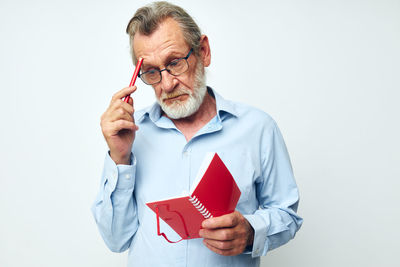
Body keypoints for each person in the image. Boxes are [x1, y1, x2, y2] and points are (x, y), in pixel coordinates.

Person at [92, 1, 302, 266]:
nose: (167, 84)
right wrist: (119, 158)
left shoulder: (258, 128)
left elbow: (287, 215)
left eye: (175, 63)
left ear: (203, 51)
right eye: (152, 72)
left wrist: (251, 231)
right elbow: (115, 239)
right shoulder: (131, 134)